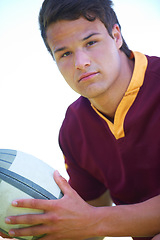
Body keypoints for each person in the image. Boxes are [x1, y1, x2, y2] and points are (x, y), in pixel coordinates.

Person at [1, 0, 160, 239]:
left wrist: (94, 221)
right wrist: (42, 226)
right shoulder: (74, 128)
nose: (80, 62)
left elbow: (94, 221)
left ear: (116, 36)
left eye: (91, 42)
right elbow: (88, 224)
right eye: (65, 53)